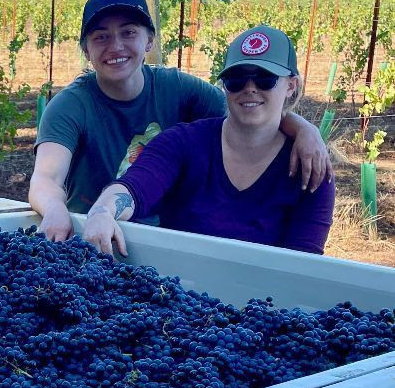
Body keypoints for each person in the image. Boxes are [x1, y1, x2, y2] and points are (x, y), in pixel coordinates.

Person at [29, 0, 331, 240]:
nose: (116, 46)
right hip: (94, 236)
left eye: (128, 32)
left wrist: (304, 129)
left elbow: (247, 113)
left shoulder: (178, 88)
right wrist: (62, 213)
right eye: (101, 37)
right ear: (86, 50)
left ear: (149, 41)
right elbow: (46, 178)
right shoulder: (70, 106)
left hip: (160, 238)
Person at [83, 25, 335, 256]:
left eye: (264, 79)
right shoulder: (183, 143)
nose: (249, 88)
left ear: (291, 85)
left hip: (263, 301)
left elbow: (303, 265)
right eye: (236, 80)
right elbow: (134, 188)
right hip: (178, 294)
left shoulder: (312, 170)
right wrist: (103, 211)